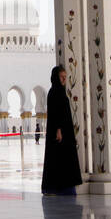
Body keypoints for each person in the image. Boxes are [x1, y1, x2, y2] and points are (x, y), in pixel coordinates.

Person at [41, 65, 82, 195]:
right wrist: (58, 130)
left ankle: (65, 185)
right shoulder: (54, 92)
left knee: (65, 159)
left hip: (66, 131)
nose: (64, 80)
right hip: (60, 133)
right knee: (59, 159)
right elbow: (55, 113)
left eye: (65, 77)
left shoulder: (60, 92)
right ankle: (58, 186)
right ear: (56, 78)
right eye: (62, 77)